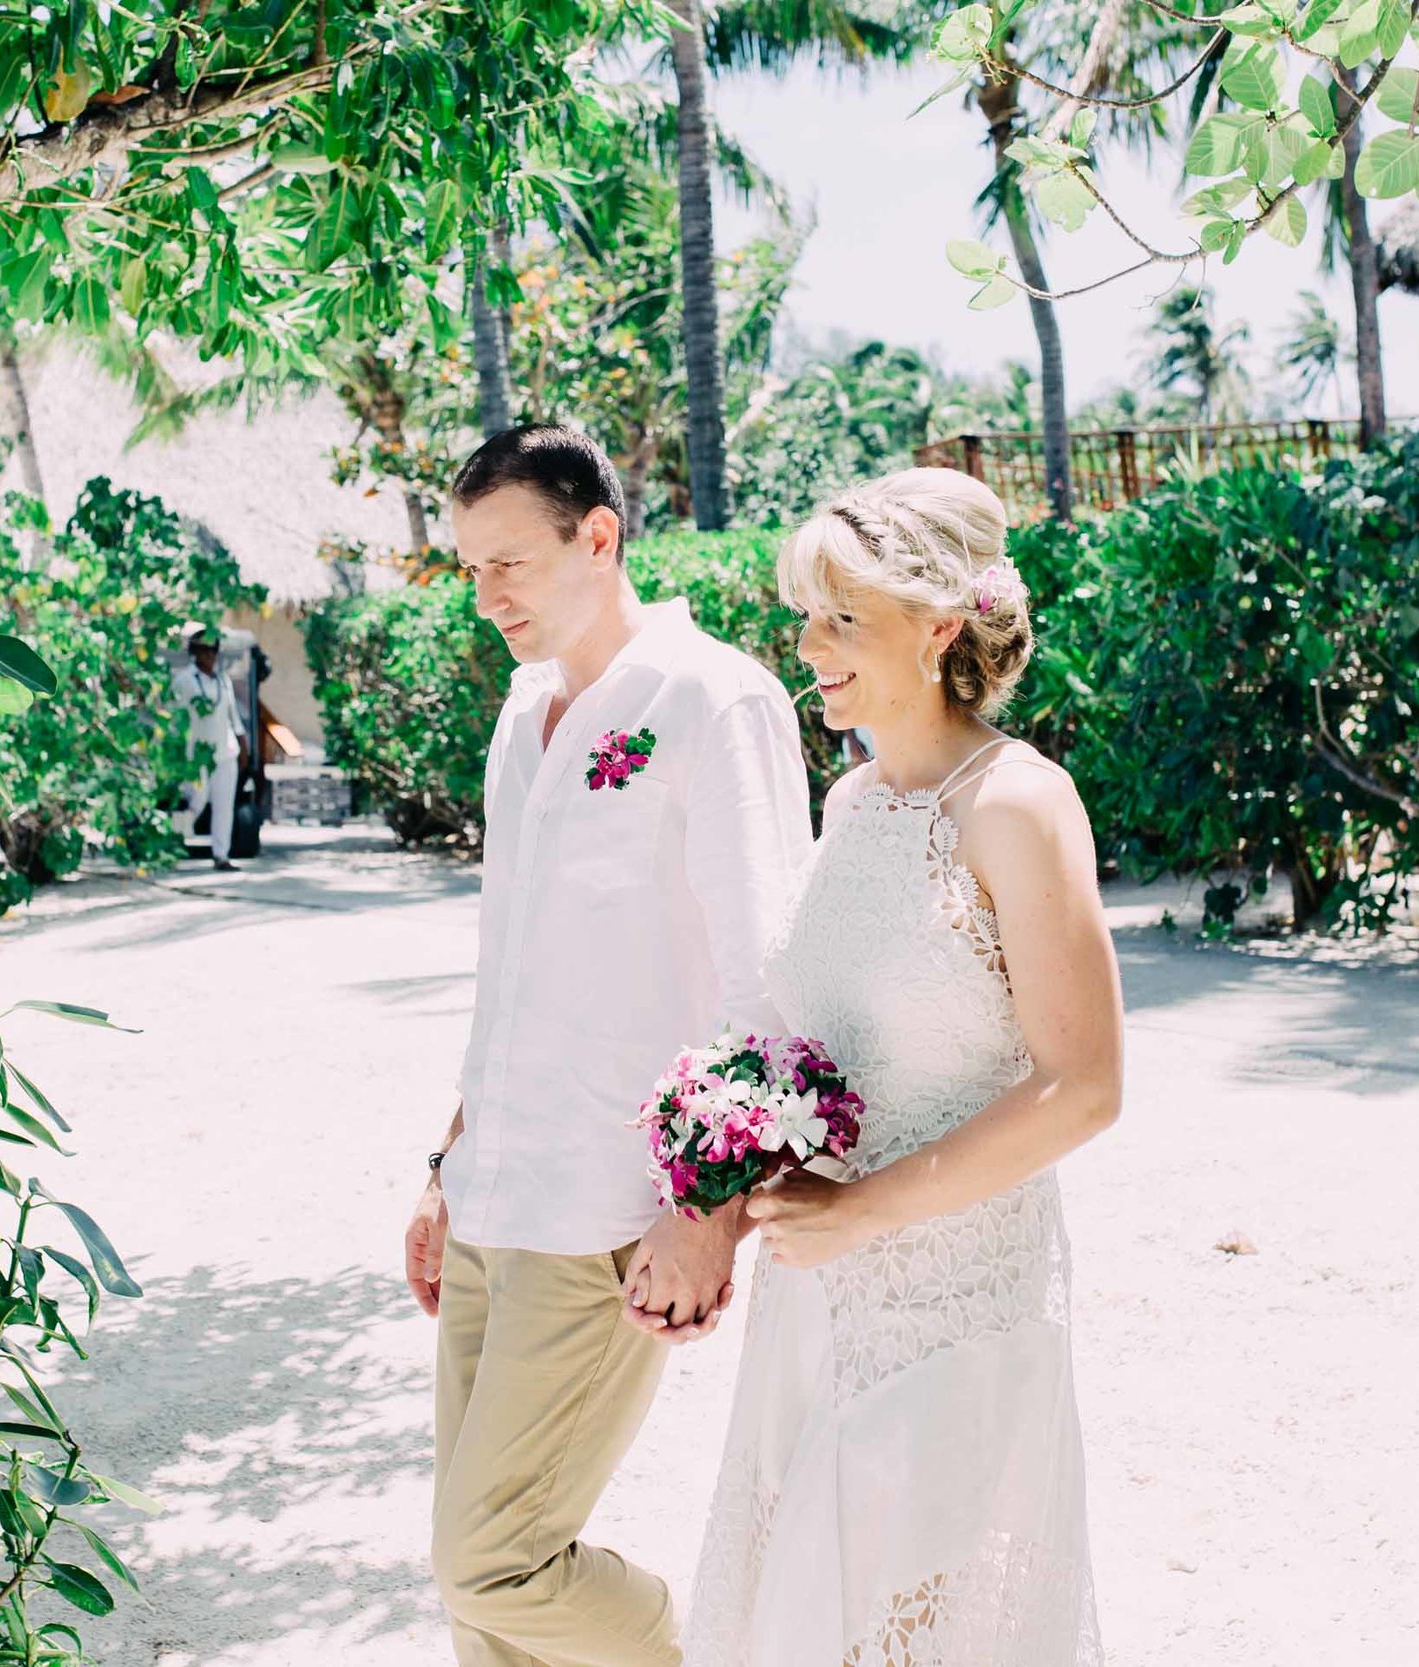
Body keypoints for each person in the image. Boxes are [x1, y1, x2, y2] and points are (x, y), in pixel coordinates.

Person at [685, 468, 1121, 1667]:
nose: (807, 645)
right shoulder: (852, 800)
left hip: (958, 1306)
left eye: (840, 618)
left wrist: (865, 1208)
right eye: (805, 614)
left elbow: (1085, 1083)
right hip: (818, 1299)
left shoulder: (1018, 802)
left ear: (938, 630)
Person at [401, 424, 813, 1667]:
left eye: (510, 562)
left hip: (607, 1208)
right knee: (480, 1598)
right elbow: (513, 971)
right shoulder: (525, 709)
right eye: (469, 569)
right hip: (491, 1197)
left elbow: (763, 977)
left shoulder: (709, 695)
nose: (488, 597)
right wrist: (443, 1165)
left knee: (494, 1556)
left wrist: (709, 1209)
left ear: (599, 535)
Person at [172, 626, 246, 872]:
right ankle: (172, 841)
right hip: (197, 753)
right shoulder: (184, 680)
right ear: (195, 653)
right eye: (204, 651)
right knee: (197, 801)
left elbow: (233, 716)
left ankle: (221, 855)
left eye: (212, 652)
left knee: (224, 805)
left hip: (225, 752)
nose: (209, 656)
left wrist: (242, 743)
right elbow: (174, 718)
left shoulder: (223, 680)